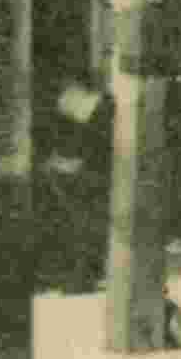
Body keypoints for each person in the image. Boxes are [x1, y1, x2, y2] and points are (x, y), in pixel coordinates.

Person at [34, 76, 115, 293]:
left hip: (95, 181)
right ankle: (82, 274)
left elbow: (91, 154)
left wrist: (60, 165)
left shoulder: (102, 111)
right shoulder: (100, 109)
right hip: (91, 178)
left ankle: (82, 275)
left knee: (82, 223)